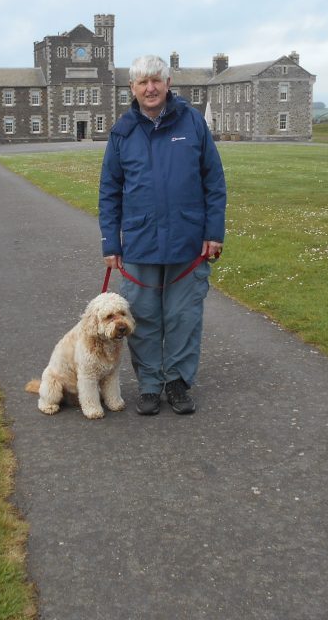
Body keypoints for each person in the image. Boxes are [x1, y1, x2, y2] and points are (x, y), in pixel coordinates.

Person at [98, 55, 227, 415]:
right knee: (142, 318)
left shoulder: (193, 124)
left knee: (183, 316)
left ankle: (177, 383)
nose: (150, 88)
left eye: (156, 81)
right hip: (139, 243)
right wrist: (111, 241)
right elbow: (109, 190)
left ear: (168, 83)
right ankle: (151, 386)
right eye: (142, 82)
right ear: (133, 89)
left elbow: (213, 182)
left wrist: (213, 233)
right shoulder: (122, 131)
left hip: (189, 241)